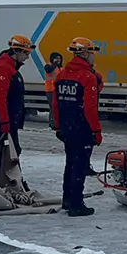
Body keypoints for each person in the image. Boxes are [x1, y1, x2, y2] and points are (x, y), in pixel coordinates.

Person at [51, 37, 103, 217]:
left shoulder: (62, 75)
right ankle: (76, 204)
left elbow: (56, 104)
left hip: (67, 127)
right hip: (82, 128)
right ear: (86, 54)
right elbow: (90, 107)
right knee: (79, 166)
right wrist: (96, 130)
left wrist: (58, 125)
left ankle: (67, 199)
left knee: (70, 163)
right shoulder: (87, 77)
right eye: (92, 54)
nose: (94, 57)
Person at [0, 35, 35, 154]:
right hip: (7, 120)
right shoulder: (5, 68)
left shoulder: (10, 67)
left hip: (10, 119)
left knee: (11, 152)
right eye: (26, 54)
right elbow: (0, 97)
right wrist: (4, 121)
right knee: (8, 153)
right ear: (18, 52)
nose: (27, 57)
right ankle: (4, 173)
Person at [44, 52, 63, 127]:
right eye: (56, 58)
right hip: (50, 90)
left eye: (59, 59)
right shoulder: (48, 66)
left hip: (58, 90)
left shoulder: (60, 68)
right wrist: (55, 64)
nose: (58, 60)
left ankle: (57, 123)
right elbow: (48, 70)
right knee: (53, 107)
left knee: (57, 107)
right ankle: (52, 123)